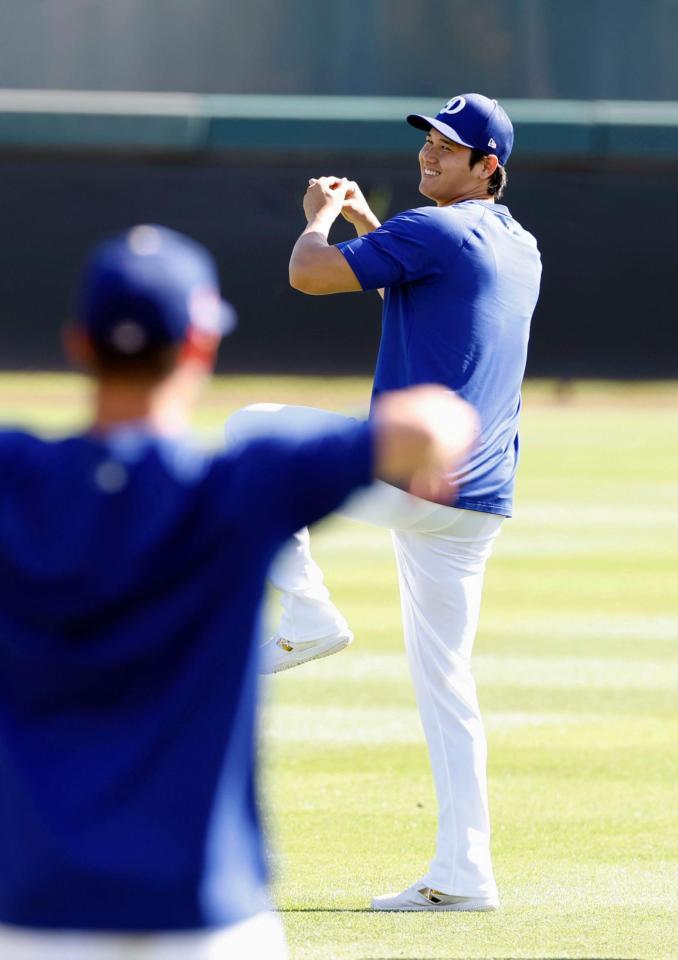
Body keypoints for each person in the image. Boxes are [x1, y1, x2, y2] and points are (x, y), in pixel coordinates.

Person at [0, 224, 480, 958]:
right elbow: (434, 422)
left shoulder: (17, 479)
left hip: (36, 914)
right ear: (201, 346)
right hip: (207, 916)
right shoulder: (237, 488)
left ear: (79, 345)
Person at [228, 93, 542, 912]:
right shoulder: (517, 244)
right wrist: (371, 222)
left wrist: (321, 217)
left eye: (453, 147)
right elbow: (423, 297)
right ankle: (466, 873)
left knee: (250, 430)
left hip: (410, 479)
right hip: (478, 502)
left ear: (489, 168)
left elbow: (307, 274)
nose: (431, 154)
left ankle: (307, 613)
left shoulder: (435, 229)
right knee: (447, 685)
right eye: (430, 140)